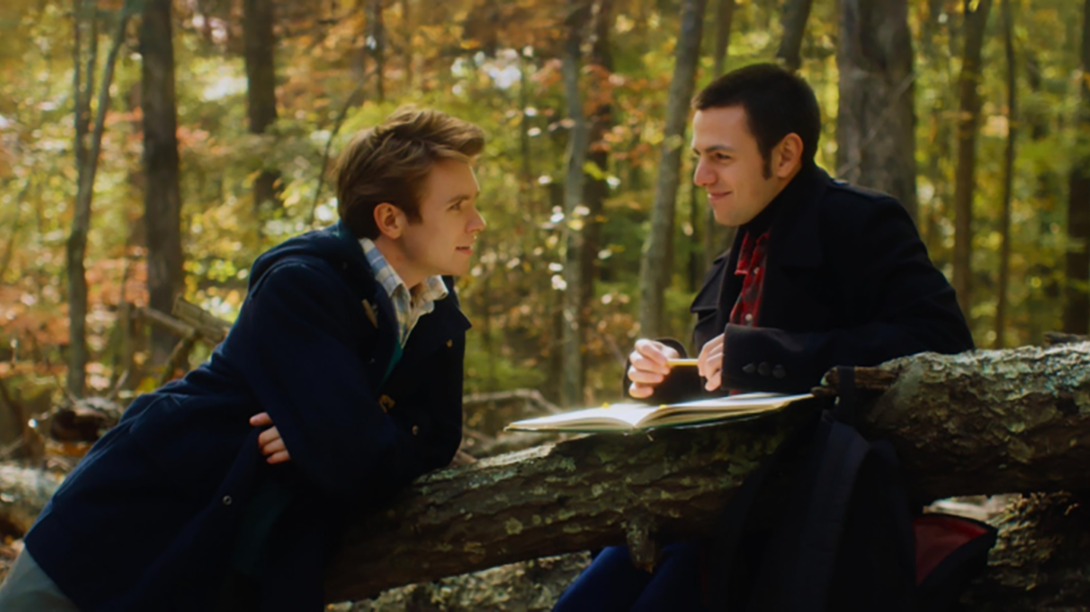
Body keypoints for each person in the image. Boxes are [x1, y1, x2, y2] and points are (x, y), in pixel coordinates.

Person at [0, 107, 487, 611]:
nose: (478, 222)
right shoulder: (303, 285)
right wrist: (333, 441)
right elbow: (357, 455)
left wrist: (320, 439)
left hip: (242, 555)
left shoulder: (433, 303)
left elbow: (433, 438)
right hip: (130, 520)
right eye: (457, 206)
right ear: (390, 218)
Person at [554, 63, 974, 611]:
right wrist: (668, 371)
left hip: (805, 528)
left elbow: (944, 342)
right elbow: (730, 388)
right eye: (698, 158)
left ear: (785, 156)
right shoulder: (733, 255)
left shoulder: (860, 223)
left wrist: (774, 354)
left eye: (721, 157)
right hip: (698, 511)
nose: (702, 177)